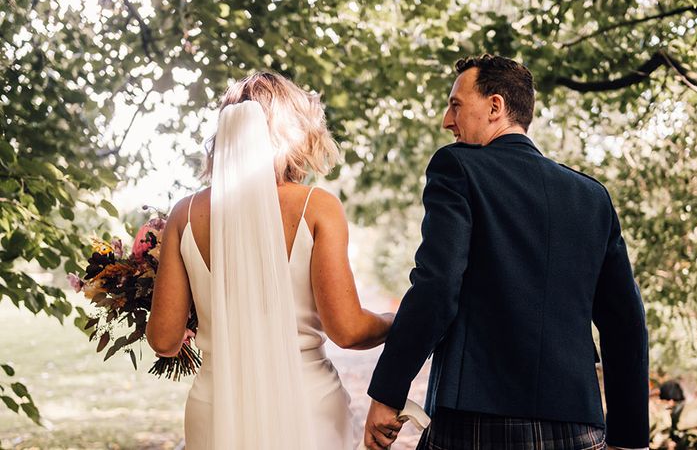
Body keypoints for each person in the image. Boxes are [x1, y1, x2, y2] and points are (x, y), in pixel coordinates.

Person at [363, 54, 650, 450]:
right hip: (577, 429)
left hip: (476, 423)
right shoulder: (592, 196)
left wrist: (388, 392)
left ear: (495, 106)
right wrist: (629, 438)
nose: (448, 120)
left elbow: (437, 285)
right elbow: (626, 324)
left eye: (456, 105)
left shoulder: (457, 167)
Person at [146, 71, 394, 449]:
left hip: (215, 409)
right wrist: (397, 320)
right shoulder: (317, 208)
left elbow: (163, 339)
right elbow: (347, 331)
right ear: (295, 132)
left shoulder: (185, 213)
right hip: (306, 407)